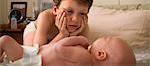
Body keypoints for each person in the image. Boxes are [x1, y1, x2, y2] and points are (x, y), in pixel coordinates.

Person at [23, 0, 93, 46]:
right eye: (69, 11)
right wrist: (62, 35)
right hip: (36, 30)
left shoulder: (83, 24)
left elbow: (85, 52)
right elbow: (38, 52)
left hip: (54, 42)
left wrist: (72, 36)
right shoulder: (45, 17)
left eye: (82, 13)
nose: (75, 19)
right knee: (30, 52)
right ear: (56, 10)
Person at [0, 35, 136, 66]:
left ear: (100, 54)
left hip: (30, 59)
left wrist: (76, 39)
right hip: (33, 56)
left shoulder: (84, 56)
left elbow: (59, 48)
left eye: (105, 38)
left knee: (5, 40)